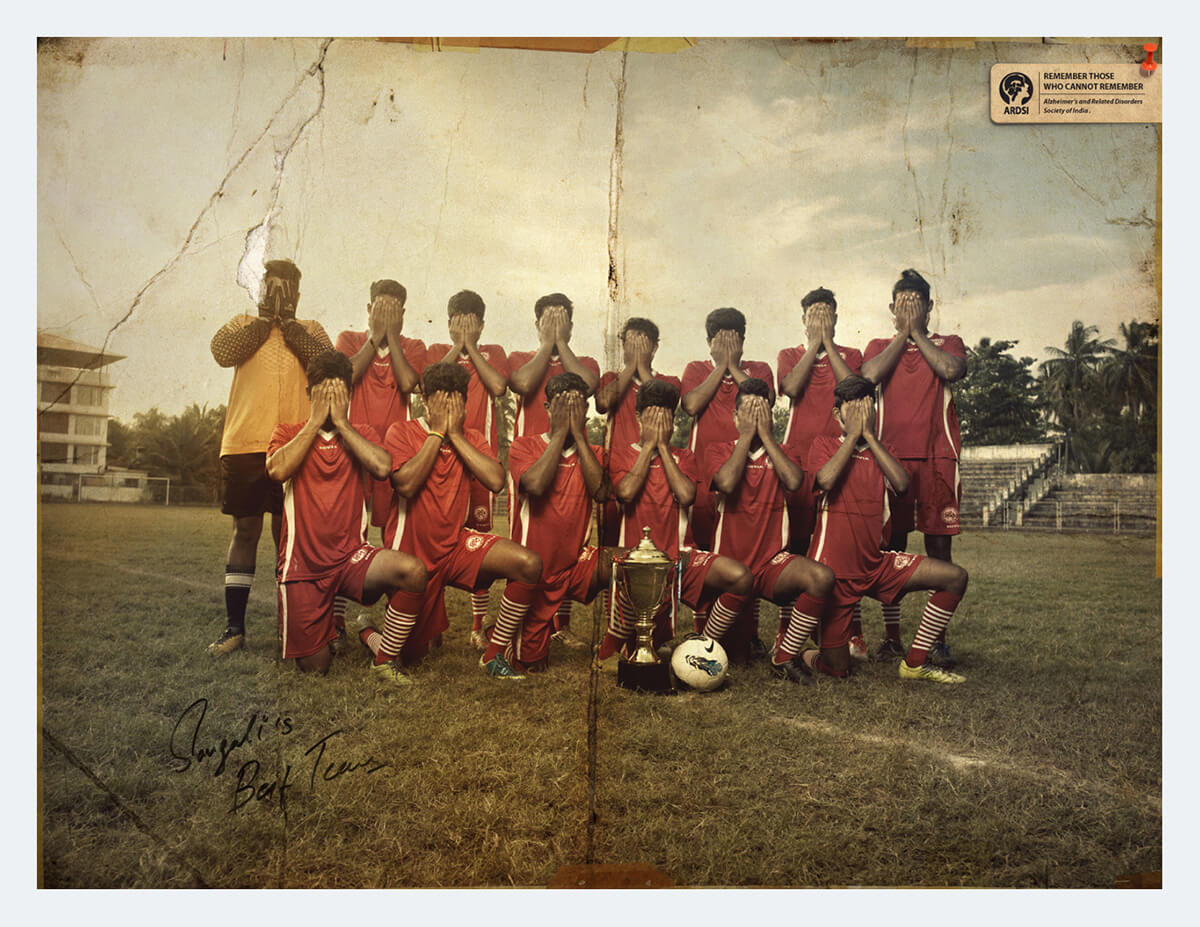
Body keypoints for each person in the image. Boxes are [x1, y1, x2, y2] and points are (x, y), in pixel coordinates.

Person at [358, 362, 541, 683]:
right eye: (440, 403)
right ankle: (367, 631)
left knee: (527, 563)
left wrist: (455, 435)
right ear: (425, 401)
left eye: (456, 403)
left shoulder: (469, 437)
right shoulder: (401, 431)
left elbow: (497, 480)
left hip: (455, 547)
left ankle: (494, 654)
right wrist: (437, 432)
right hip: (411, 558)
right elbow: (406, 485)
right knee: (414, 655)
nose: (448, 410)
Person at [266, 351, 426, 674]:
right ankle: (355, 631)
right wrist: (314, 421)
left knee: (413, 571)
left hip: (351, 559)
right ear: (309, 394)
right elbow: (277, 470)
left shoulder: (361, 434)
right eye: (321, 394)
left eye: (337, 394)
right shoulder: (287, 432)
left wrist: (341, 422)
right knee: (318, 666)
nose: (329, 402)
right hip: (303, 567)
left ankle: (381, 657)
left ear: (349, 395)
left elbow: (383, 467)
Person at [805, 375, 968, 683]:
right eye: (851, 412)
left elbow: (903, 484)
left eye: (866, 411)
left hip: (876, 564)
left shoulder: (884, 449)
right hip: (833, 574)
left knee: (954, 577)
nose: (858, 418)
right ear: (836, 414)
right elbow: (825, 481)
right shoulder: (823, 445)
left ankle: (915, 663)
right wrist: (854, 435)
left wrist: (868, 434)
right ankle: (803, 653)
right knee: (838, 670)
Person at [208, 259, 332, 657]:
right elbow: (222, 352)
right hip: (244, 441)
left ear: (297, 291)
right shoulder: (242, 323)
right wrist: (266, 320)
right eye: (270, 286)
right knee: (245, 531)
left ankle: (288, 627)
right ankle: (234, 628)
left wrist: (289, 323)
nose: (278, 294)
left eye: (286, 287)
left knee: (288, 537)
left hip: (294, 444)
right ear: (258, 290)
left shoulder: (311, 329)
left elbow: (328, 365)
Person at [599, 378, 751, 666]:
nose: (659, 424)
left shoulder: (685, 456)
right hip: (634, 562)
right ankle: (620, 637)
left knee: (739, 577)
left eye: (666, 417)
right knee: (635, 651)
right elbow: (626, 493)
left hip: (681, 555)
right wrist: (649, 448)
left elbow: (686, 495)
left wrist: (664, 448)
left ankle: (701, 644)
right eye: (651, 417)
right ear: (637, 418)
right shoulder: (622, 453)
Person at [861, 269, 967, 667]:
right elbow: (868, 376)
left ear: (928, 307)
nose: (907, 312)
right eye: (901, 306)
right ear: (891, 309)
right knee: (893, 546)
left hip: (939, 457)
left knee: (939, 546)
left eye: (916, 305)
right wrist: (904, 334)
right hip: (892, 458)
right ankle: (893, 638)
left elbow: (952, 370)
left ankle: (936, 640)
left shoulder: (949, 342)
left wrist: (917, 333)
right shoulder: (877, 346)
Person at [702, 378, 833, 682]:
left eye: (764, 413)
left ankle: (784, 656)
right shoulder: (718, 450)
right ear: (735, 418)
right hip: (731, 569)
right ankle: (703, 644)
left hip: (771, 563)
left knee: (821, 577)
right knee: (735, 657)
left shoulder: (784, 451)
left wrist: (765, 436)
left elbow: (795, 482)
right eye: (749, 412)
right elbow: (726, 484)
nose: (757, 419)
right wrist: (748, 436)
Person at [508, 293, 600, 649]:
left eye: (563, 321)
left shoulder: (583, 361)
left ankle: (560, 626)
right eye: (549, 320)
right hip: (534, 454)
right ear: (537, 325)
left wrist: (561, 342)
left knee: (569, 541)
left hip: (575, 454)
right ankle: (523, 620)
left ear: (572, 328)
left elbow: (589, 385)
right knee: (532, 541)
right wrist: (548, 343)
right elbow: (524, 383)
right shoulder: (522, 358)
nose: (556, 325)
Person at [776, 287, 865, 655]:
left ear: (836, 318)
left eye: (826, 312)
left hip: (842, 457)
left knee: (844, 543)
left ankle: (851, 631)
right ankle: (787, 628)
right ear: (803, 320)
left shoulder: (852, 355)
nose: (820, 318)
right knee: (797, 543)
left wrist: (828, 343)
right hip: (798, 456)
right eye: (813, 313)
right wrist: (815, 345)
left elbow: (851, 389)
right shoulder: (790, 355)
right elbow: (790, 388)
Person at [506, 373, 612, 671]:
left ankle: (616, 644)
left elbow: (602, 492)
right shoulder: (524, 446)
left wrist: (578, 436)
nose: (569, 415)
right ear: (547, 408)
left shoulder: (595, 453)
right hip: (534, 571)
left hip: (575, 565)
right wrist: (559, 434)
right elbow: (536, 485)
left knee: (625, 566)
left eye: (577, 409)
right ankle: (498, 633)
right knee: (532, 665)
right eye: (562, 408)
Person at [425, 290, 510, 651]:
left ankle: (478, 625)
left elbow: (498, 386)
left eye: (471, 323)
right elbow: (425, 384)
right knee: (435, 538)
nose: (463, 329)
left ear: (482, 325)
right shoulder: (434, 353)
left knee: (476, 540)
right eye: (457, 324)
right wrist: (456, 347)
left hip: (476, 452)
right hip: (439, 453)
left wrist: (470, 346)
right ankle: (433, 620)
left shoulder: (494, 354)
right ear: (447, 325)